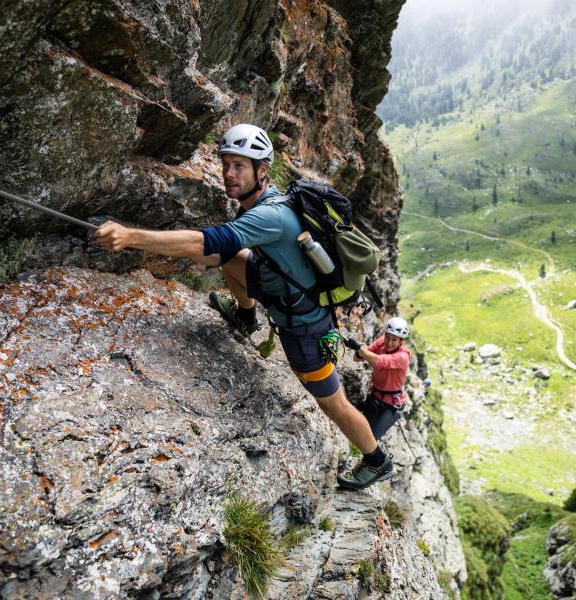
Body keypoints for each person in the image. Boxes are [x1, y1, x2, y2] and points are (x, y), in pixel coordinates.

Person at [94, 123, 393, 490]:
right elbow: (223, 249)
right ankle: (247, 316)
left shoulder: (269, 216)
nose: (229, 174)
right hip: (280, 292)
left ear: (261, 170)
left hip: (304, 329)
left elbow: (204, 242)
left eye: (240, 166)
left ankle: (376, 460)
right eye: (226, 164)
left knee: (333, 404)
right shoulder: (269, 199)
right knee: (230, 256)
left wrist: (130, 236)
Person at [344, 317, 411, 441]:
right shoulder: (382, 342)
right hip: (375, 397)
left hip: (392, 405)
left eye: (394, 340)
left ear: (401, 341)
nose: (389, 342)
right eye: (387, 337)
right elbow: (357, 358)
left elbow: (380, 361)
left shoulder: (403, 357)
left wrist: (359, 349)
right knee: (361, 432)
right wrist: (359, 352)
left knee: (370, 440)